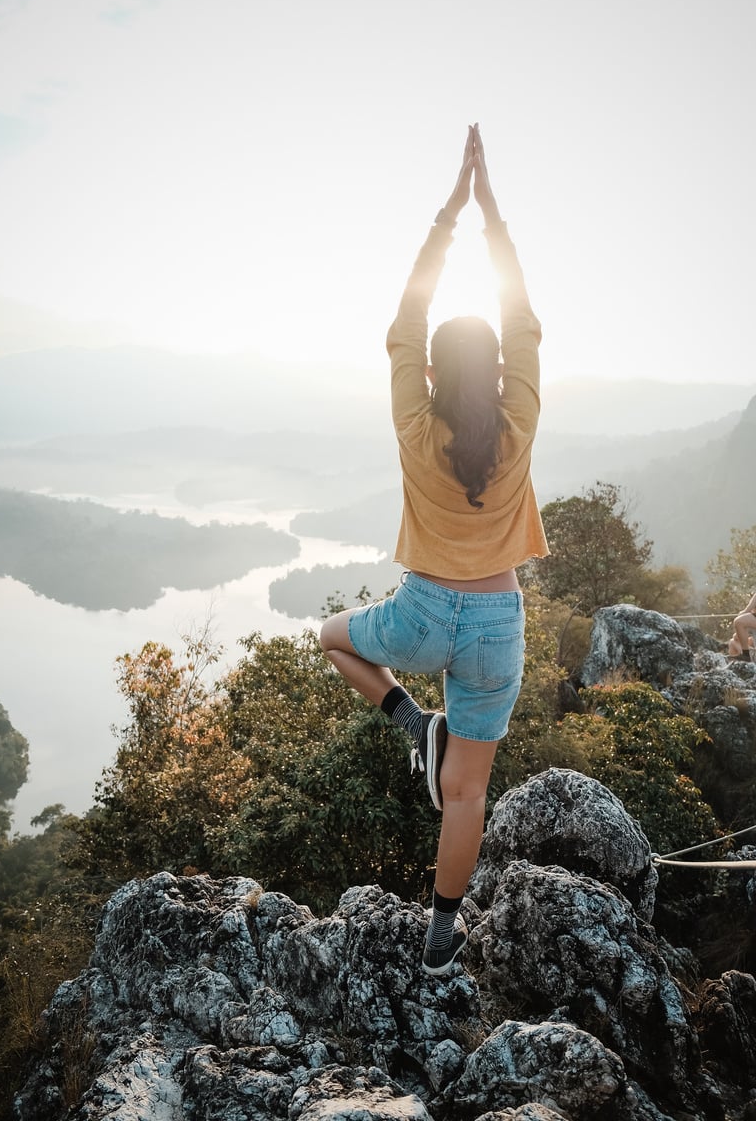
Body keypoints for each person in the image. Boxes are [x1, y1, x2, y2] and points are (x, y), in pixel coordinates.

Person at [320, 123, 549, 975]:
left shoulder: (415, 423)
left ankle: (413, 724)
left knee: (332, 638)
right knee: (468, 792)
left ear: (429, 375)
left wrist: (447, 215)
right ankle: (441, 939)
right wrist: (491, 215)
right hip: (497, 624)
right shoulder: (518, 422)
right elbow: (521, 317)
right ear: (495, 374)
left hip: (419, 614)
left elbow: (404, 322)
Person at [729, 591, 756, 662]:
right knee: (732, 641)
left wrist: (745, 611)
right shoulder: (752, 622)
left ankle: (746, 656)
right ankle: (745, 657)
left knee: (738, 622)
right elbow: (736, 636)